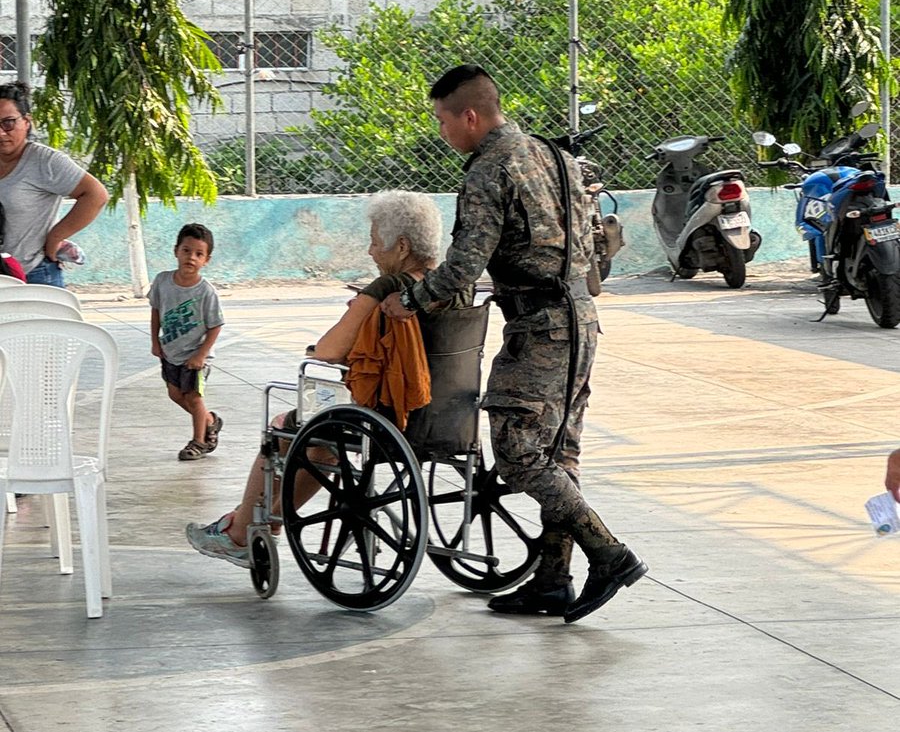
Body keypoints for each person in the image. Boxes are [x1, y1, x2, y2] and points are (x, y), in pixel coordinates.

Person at [382, 64, 647, 624]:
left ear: (470, 116)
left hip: (538, 328)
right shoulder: (554, 155)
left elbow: (463, 267)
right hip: (580, 318)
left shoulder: (488, 170)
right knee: (559, 453)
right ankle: (552, 580)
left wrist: (410, 300)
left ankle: (609, 553)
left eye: (443, 121)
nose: (442, 133)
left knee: (519, 451)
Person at [186, 190, 459, 567]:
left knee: (286, 426)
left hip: (387, 418)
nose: (369, 251)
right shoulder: (455, 290)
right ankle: (261, 523)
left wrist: (335, 340)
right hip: (448, 417)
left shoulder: (388, 289)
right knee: (319, 445)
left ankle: (241, 532)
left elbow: (329, 351)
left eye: (374, 242)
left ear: (401, 247)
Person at [0, 81, 109, 286]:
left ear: (26, 122)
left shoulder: (44, 160)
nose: (1, 132)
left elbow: (96, 195)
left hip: (34, 275)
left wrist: (55, 237)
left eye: (8, 123)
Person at [149, 223, 225, 462]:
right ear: (176, 251)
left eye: (198, 254)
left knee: (193, 397)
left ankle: (199, 441)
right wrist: (155, 342)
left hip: (195, 356)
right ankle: (210, 422)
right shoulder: (162, 282)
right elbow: (156, 311)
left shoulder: (206, 292)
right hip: (171, 352)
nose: (191, 257)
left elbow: (215, 325)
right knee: (175, 394)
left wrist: (201, 354)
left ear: (206, 260)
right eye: (186, 250)